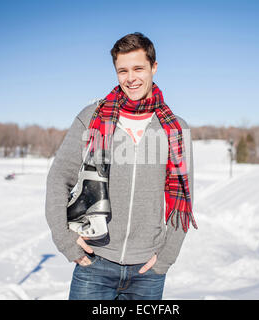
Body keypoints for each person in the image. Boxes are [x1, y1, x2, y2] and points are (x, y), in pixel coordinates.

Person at [45, 32, 197, 300]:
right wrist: (66, 241)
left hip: (147, 272)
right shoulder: (92, 117)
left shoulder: (175, 128)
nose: (131, 78)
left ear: (154, 67)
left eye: (138, 68)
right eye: (122, 70)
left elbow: (183, 199)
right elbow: (59, 178)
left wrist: (165, 258)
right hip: (95, 263)